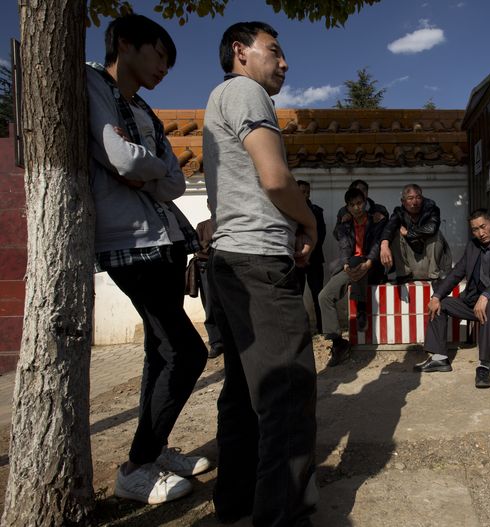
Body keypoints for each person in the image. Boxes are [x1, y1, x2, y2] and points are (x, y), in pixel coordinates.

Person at [87, 14, 210, 504]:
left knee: (161, 351)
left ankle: (152, 452)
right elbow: (120, 159)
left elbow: (174, 181)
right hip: (128, 242)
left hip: (163, 239)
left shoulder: (144, 110)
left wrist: (147, 169)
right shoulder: (92, 84)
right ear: (125, 43)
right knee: (187, 351)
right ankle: (136, 466)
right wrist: (145, 166)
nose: (164, 68)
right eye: (159, 55)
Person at [203, 21, 318, 525]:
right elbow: (275, 179)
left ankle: (237, 501)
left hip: (231, 261)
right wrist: (309, 220)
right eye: (274, 50)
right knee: (287, 394)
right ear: (241, 52)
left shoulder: (219, 99)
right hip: (259, 262)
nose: (285, 62)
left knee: (243, 393)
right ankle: (281, 515)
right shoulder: (247, 92)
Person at [415, 209, 490, 388]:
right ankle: (439, 358)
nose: (480, 233)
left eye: (483, 227)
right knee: (441, 304)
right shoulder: (473, 246)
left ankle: (484, 366)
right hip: (475, 303)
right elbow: (456, 273)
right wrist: (436, 296)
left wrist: (486, 295)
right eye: (475, 229)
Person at [318, 187, 387, 366]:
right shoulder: (344, 225)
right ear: (347, 207)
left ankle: (361, 307)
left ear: (365, 203)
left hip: (372, 266)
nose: (356, 208)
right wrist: (346, 265)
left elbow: (377, 245)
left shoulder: (376, 220)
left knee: (357, 260)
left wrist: (368, 263)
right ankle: (338, 343)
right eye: (352, 205)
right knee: (324, 296)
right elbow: (344, 248)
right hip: (352, 266)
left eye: (359, 203)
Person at [379, 183, 452, 282]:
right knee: (395, 233)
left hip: (430, 264)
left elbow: (432, 228)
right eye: (410, 198)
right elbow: (389, 228)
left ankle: (434, 275)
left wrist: (408, 233)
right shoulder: (399, 212)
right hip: (411, 264)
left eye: (418, 198)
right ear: (403, 201)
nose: (415, 202)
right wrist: (384, 245)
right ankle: (404, 275)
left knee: (437, 233)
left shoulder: (431, 209)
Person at [296, 180, 327, 333]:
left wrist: (309, 252)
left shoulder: (316, 211)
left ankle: (322, 328)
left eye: (308, 192)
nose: (306, 195)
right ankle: (299, 328)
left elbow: (321, 235)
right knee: (296, 295)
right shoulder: (289, 210)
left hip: (314, 258)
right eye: (302, 192)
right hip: (296, 259)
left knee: (318, 294)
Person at [195, 202, 224, 358]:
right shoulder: (202, 226)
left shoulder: (228, 224)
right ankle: (216, 342)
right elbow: (196, 246)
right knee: (210, 306)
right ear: (208, 205)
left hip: (228, 268)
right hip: (206, 268)